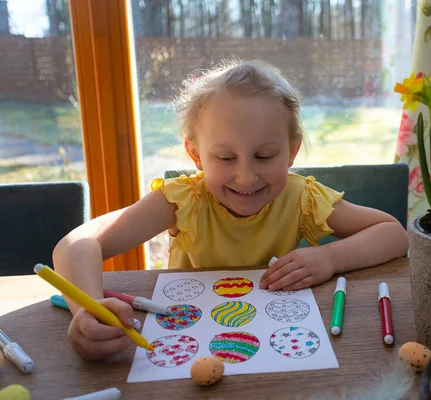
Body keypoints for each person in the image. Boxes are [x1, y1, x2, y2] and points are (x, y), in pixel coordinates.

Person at [53, 59, 408, 360]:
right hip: (187, 343)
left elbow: (393, 234)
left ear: (292, 151)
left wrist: (330, 258)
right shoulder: (184, 200)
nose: (245, 176)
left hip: (271, 344)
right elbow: (76, 243)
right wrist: (86, 309)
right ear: (195, 155)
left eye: (265, 156)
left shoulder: (302, 197)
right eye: (225, 158)